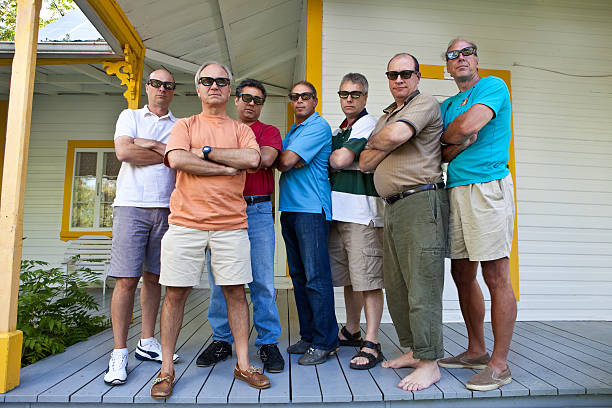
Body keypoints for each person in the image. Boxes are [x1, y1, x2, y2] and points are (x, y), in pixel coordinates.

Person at [150, 62, 269, 399]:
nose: (214, 85)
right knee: (175, 293)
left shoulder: (241, 129)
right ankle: (166, 370)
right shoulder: (185, 124)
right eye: (207, 80)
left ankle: (243, 364)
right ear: (198, 88)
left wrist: (203, 153)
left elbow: (252, 159)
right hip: (185, 223)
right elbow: (176, 160)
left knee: (235, 292)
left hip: (231, 225)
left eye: (221, 81)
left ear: (229, 89)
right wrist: (223, 168)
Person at [359, 53, 448, 391]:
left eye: (406, 73)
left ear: (417, 76)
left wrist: (382, 141)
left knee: (423, 284)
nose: (399, 79)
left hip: (421, 201)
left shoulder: (424, 103)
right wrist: (380, 141)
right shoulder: (387, 115)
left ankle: (430, 363)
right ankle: (413, 349)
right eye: (393, 74)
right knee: (396, 285)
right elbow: (366, 162)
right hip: (392, 206)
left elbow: (394, 137)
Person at [436, 38, 516, 392]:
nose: (461, 58)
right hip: (455, 190)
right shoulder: (447, 104)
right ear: (447, 67)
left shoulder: (492, 86)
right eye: (453, 55)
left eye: (467, 51)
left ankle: (499, 365)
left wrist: (460, 136)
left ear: (477, 59)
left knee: (495, 274)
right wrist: (458, 137)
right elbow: (441, 147)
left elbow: (469, 127)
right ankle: (476, 350)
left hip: (487, 186)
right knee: (461, 272)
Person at [196, 78, 285, 374]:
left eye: (258, 100)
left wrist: (220, 155)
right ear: (235, 100)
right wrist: (233, 157)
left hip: (257, 209)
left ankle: (268, 342)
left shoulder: (268, 131)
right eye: (246, 98)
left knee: (261, 281)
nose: (251, 104)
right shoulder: (222, 128)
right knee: (221, 280)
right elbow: (205, 164)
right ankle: (222, 340)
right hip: (221, 209)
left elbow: (263, 159)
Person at [104, 69, 179, 386]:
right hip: (131, 206)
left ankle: (147, 342)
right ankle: (118, 353)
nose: (161, 89)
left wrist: (149, 146)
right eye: (156, 83)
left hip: (166, 208)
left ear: (173, 91)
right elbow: (123, 152)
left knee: (155, 278)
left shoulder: (179, 126)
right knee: (126, 280)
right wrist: (163, 150)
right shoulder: (129, 116)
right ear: (148, 87)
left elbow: (179, 159)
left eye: (168, 85)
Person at [278, 81, 339, 365]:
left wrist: (288, 158)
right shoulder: (294, 130)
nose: (299, 101)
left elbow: (286, 160)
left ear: (314, 100)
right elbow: (287, 160)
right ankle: (309, 335)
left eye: (305, 96)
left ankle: (326, 341)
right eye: (295, 97)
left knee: (316, 278)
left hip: (312, 210)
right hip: (290, 209)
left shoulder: (317, 127)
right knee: (300, 278)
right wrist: (288, 159)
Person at [328, 73, 385, 370]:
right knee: (351, 279)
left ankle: (372, 341)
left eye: (355, 94)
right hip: (338, 212)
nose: (349, 99)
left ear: (364, 97)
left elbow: (336, 160)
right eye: (344, 94)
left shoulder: (367, 123)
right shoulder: (341, 129)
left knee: (369, 280)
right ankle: (352, 329)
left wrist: (342, 158)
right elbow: (337, 156)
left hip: (363, 215)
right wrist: (346, 158)